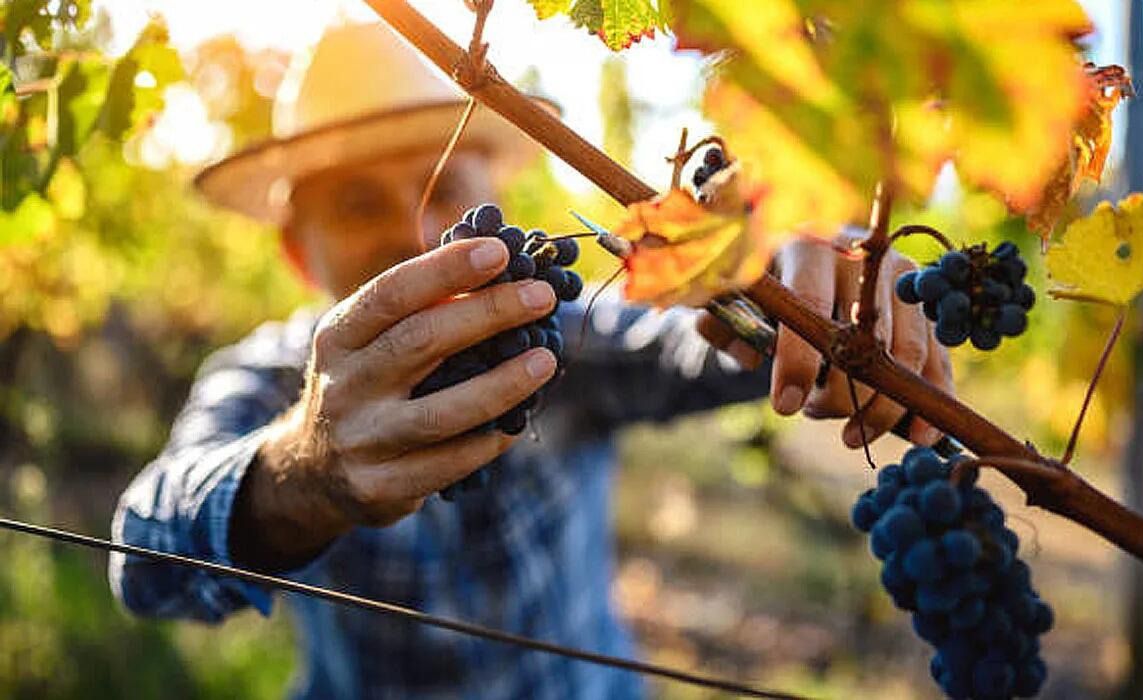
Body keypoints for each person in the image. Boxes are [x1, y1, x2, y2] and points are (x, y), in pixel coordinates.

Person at [109, 22, 953, 700]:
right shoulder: (264, 379)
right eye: (361, 204)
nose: (413, 234)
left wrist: (799, 299)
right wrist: (303, 469)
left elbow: (684, 340)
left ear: (497, 202)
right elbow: (143, 561)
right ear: (299, 253)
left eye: (443, 190)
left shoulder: (566, 336)